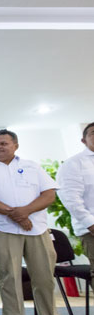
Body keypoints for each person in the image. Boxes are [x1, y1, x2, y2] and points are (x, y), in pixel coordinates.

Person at [0, 129, 84, 315]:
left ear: (15, 145)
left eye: (3, 143)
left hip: (37, 228)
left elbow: (49, 194)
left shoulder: (32, 166)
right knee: (10, 278)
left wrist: (25, 212)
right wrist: (15, 214)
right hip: (3, 228)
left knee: (44, 278)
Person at [57, 122, 94, 292]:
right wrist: (90, 223)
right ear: (83, 140)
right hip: (91, 229)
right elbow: (70, 197)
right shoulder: (74, 163)